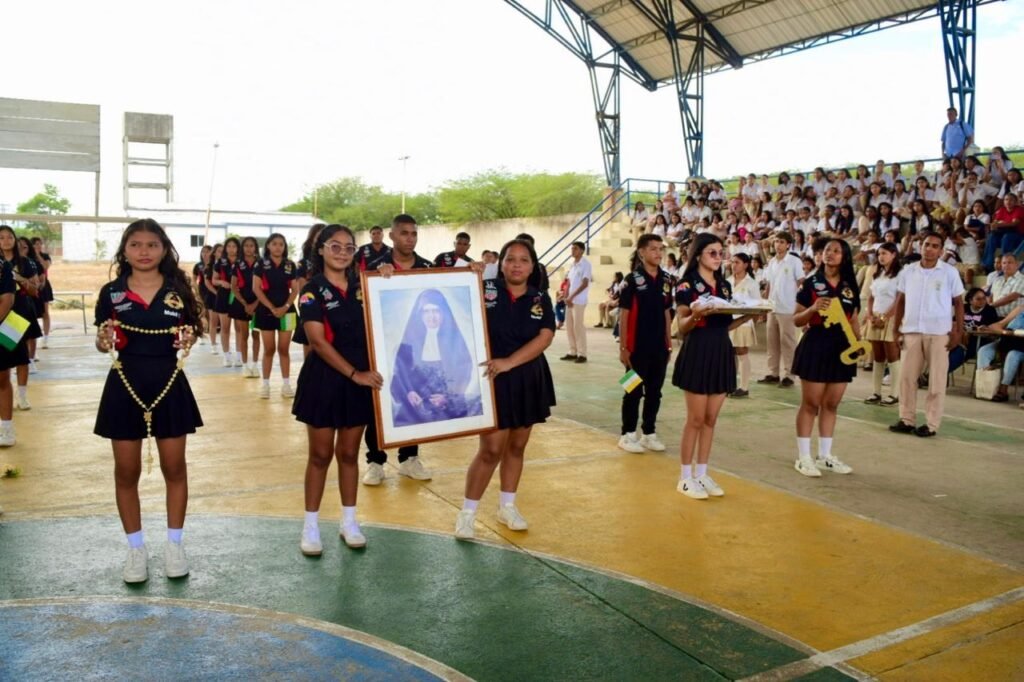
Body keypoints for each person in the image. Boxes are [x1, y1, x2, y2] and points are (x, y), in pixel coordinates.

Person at [93, 218, 203, 583]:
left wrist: (188, 339)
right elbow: (102, 339)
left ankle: (175, 545)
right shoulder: (111, 293)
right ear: (124, 250)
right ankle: (136, 550)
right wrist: (104, 340)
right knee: (127, 472)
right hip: (124, 385)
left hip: (169, 384)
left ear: (163, 249)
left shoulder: (178, 289)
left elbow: (191, 331)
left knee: (175, 468)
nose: (144, 251)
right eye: (136, 244)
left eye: (151, 245)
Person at [293, 224, 384, 555]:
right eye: (335, 246)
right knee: (320, 456)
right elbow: (317, 340)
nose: (342, 253)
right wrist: (354, 374)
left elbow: (394, 303)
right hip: (325, 380)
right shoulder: (311, 290)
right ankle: (311, 526)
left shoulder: (365, 286)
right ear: (321, 249)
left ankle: (349, 521)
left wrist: (388, 278)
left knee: (348, 454)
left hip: (358, 380)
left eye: (349, 248)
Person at [455, 239, 555, 539]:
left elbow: (546, 335)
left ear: (532, 266)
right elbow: (452, 298)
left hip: (527, 378)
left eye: (524, 260)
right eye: (511, 259)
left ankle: (507, 506)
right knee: (491, 449)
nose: (516, 265)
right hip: (492, 379)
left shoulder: (540, 298)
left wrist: (511, 361)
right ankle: (467, 513)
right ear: (501, 263)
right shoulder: (484, 288)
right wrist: (467, 275)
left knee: (516, 447)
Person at [671, 234, 752, 500]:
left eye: (721, 253)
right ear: (698, 255)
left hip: (720, 351)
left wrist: (747, 317)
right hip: (698, 350)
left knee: (710, 419)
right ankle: (685, 478)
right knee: (695, 419)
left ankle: (702, 473)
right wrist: (696, 315)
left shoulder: (725, 286)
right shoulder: (686, 285)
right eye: (712, 253)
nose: (718, 258)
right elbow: (683, 327)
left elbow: (723, 325)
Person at [362, 214, 434, 485]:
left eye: (414, 234)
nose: (410, 238)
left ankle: (409, 458)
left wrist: (473, 272)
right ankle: (375, 461)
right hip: (382, 348)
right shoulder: (372, 268)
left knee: (414, 402)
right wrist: (376, 281)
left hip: (417, 352)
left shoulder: (428, 267)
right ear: (391, 236)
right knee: (378, 405)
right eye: (404, 233)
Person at [791, 239, 862, 476]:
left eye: (836, 251)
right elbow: (797, 319)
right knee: (810, 403)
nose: (830, 254)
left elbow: (853, 318)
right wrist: (812, 310)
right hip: (816, 344)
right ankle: (803, 457)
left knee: (831, 404)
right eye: (827, 250)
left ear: (845, 257)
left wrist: (858, 343)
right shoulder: (811, 283)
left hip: (841, 348)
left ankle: (824, 455)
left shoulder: (850, 286)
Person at [890, 231, 965, 437]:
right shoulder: (908, 271)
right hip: (911, 331)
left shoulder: (949, 272)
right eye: (926, 244)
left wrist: (958, 331)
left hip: (939, 333)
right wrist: (896, 329)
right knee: (906, 378)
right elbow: (901, 302)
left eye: (934, 246)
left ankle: (931, 424)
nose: (929, 249)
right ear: (919, 246)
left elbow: (958, 303)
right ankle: (907, 419)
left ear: (941, 250)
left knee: (936, 381)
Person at [390, 289, 482, 427]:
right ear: (420, 315)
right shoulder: (409, 341)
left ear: (444, 313)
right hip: (414, 407)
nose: (431, 316)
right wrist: (408, 392)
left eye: (436, 311)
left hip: (447, 406)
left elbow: (464, 373)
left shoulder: (454, 342)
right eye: (426, 311)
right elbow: (400, 373)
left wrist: (448, 398)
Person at [617, 235, 673, 453]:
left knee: (655, 391)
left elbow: (667, 312)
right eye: (653, 249)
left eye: (661, 249)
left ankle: (648, 433)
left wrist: (668, 342)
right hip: (634, 348)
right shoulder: (631, 280)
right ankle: (627, 434)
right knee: (631, 390)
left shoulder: (667, 280)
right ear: (641, 252)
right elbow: (624, 314)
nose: (658, 253)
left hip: (658, 347)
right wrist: (623, 347)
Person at [252, 233, 298, 399]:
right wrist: (271, 307)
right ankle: (265, 385)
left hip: (287, 311)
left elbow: (295, 289)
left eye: (281, 244)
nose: (278, 247)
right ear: (269, 246)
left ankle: (286, 385)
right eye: (275, 244)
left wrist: (285, 307)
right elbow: (256, 288)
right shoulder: (260, 265)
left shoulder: (290, 265)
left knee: (284, 349)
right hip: (266, 312)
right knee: (269, 349)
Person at [0, 228, 41, 411]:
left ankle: (22, 395)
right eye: (1, 237)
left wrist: (16, 278)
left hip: (19, 312)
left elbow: (35, 290)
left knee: (20, 355)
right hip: (2, 312)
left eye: (10, 237)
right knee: (3, 358)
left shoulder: (25, 262)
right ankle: (5, 388)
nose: (6, 240)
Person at [759, 232, 802, 388]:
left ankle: (790, 374)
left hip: (788, 307)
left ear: (788, 244)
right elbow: (769, 284)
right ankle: (773, 373)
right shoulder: (772, 262)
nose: (778, 244)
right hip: (773, 307)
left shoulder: (794, 261)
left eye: (781, 242)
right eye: (776, 241)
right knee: (772, 342)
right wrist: (765, 304)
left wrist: (800, 306)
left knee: (788, 342)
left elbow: (801, 282)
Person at [863, 243, 902, 406]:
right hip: (876, 317)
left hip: (890, 318)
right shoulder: (877, 274)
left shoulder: (900, 274)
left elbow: (899, 299)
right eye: (879, 254)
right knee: (877, 356)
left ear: (893, 254)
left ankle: (895, 394)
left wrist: (886, 317)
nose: (881, 257)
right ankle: (876, 392)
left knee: (892, 356)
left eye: (884, 253)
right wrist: (871, 315)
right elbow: (871, 297)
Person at [0, 238, 25, 447]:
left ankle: (6, 429)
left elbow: (7, 301)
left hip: (3, 329)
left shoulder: (4, 267)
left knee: (2, 378)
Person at [976, 303, 1024, 403]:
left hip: (1020, 346)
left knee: (1012, 355)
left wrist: (1004, 332)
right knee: (983, 351)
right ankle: (985, 387)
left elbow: (1004, 331)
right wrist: (989, 328)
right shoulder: (1020, 308)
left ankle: (1003, 389)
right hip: (1006, 340)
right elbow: (1000, 324)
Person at [727, 253, 759, 398]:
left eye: (737, 262)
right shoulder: (727, 281)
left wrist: (751, 318)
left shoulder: (751, 283)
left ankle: (744, 387)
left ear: (746, 265)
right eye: (732, 262)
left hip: (743, 322)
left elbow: (757, 304)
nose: (734, 265)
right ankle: (731, 384)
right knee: (730, 354)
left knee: (741, 352)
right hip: (728, 321)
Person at [230, 236, 262, 377]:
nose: (249, 248)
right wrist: (245, 304)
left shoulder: (262, 263)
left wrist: (255, 304)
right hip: (242, 305)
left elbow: (265, 288)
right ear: (242, 248)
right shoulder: (237, 264)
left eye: (251, 245)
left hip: (259, 304)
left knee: (256, 335)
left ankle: (255, 365)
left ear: (255, 247)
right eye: (246, 246)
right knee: (244, 335)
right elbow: (233, 287)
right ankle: (245, 365)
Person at [293, 223, 327, 358]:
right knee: (311, 350)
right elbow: (303, 291)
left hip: (332, 308)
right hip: (312, 308)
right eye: (318, 236)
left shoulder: (332, 261)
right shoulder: (303, 263)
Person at [560, 241, 592, 363]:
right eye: (572, 248)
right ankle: (572, 351)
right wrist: (566, 295)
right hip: (570, 300)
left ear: (582, 251)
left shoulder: (586, 265)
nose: (572, 251)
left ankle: (582, 354)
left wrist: (571, 297)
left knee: (578, 327)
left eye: (575, 249)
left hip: (579, 300)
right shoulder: (572, 265)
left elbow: (584, 283)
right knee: (569, 326)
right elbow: (568, 282)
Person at [211, 237, 240, 367]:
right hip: (223, 296)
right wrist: (222, 282)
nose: (231, 249)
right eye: (229, 246)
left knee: (239, 328)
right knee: (225, 328)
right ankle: (226, 356)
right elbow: (214, 280)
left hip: (239, 297)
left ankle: (239, 356)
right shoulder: (220, 262)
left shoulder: (242, 262)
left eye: (234, 246)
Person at [983, 194, 1024, 273]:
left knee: (1007, 237)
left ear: (1015, 202)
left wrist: (999, 224)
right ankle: (987, 265)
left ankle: (1005, 263)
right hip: (1003, 234)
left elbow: (1014, 223)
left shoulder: (1019, 210)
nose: (1008, 202)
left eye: (1011, 200)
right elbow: (995, 222)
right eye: (1006, 199)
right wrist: (994, 225)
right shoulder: (1002, 210)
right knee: (992, 237)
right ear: (1004, 201)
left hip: (1018, 236)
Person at [30, 237, 53, 349]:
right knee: (32, 313)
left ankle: (46, 338)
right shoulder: (27, 257)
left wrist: (38, 255)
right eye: (35, 244)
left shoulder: (45, 256)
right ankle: (32, 339)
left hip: (44, 286)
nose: (38, 246)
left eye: (40, 244)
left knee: (45, 312)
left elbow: (45, 266)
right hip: (31, 286)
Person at [202, 243, 223, 354]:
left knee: (224, 323)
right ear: (214, 253)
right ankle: (213, 344)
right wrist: (216, 293)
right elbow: (207, 283)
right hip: (213, 296)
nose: (221, 253)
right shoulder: (209, 266)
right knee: (213, 322)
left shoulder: (226, 265)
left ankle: (225, 344)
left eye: (222, 251)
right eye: (219, 251)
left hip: (224, 297)